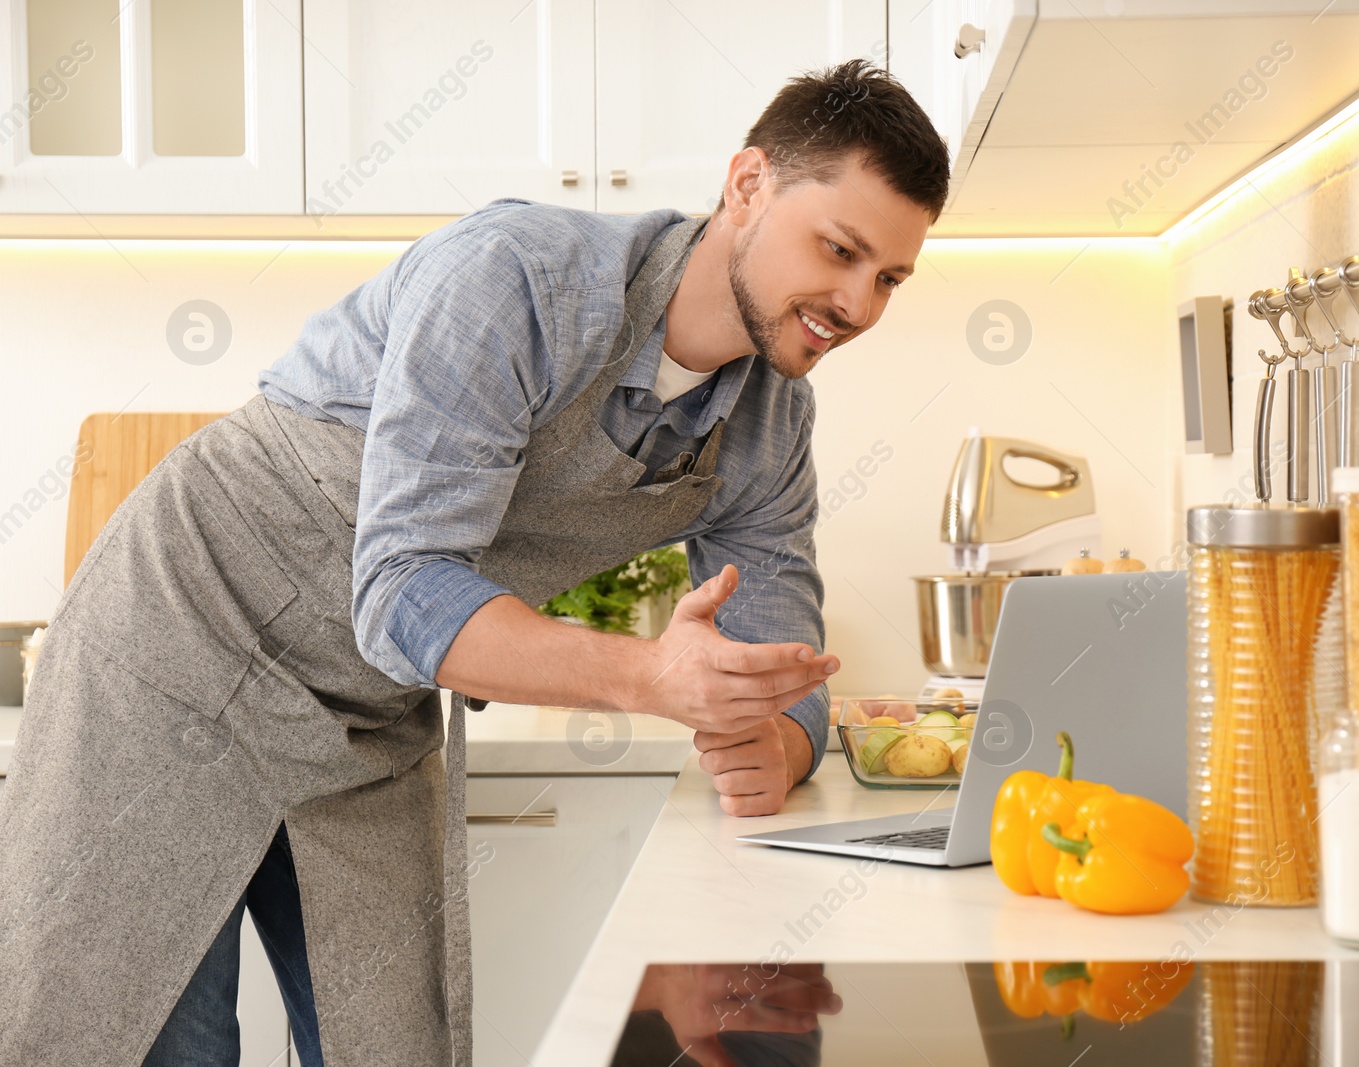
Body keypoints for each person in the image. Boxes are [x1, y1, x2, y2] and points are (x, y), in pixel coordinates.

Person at [0, 59, 948, 1065]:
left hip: (370, 706)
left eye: (888, 277)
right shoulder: (517, 278)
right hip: (178, 650)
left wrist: (777, 743)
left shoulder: (771, 424)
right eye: (840, 250)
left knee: (390, 1046)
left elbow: (782, 651)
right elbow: (406, 588)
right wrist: (649, 676)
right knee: (138, 1036)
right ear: (748, 185)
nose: (856, 302)